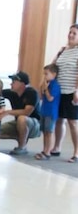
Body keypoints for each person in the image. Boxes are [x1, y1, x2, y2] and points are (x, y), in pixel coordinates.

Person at [50, 24, 78, 162]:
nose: (71, 35)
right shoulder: (63, 50)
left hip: (72, 92)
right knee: (59, 120)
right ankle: (56, 147)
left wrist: (77, 91)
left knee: (73, 122)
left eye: (74, 33)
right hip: (59, 91)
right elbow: (53, 66)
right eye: (70, 32)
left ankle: (76, 152)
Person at [0, 71, 41, 155]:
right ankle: (22, 137)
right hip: (19, 123)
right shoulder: (12, 93)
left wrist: (7, 112)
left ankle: (22, 147)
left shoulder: (32, 93)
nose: (11, 84)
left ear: (22, 84)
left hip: (35, 126)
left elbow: (27, 112)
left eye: (14, 82)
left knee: (22, 118)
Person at [37, 63, 61, 160]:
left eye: (46, 74)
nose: (45, 76)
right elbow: (42, 97)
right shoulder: (47, 84)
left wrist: (46, 89)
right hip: (44, 110)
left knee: (49, 132)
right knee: (45, 132)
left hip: (51, 112)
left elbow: (50, 98)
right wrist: (42, 88)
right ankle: (44, 149)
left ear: (54, 74)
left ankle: (48, 152)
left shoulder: (55, 85)